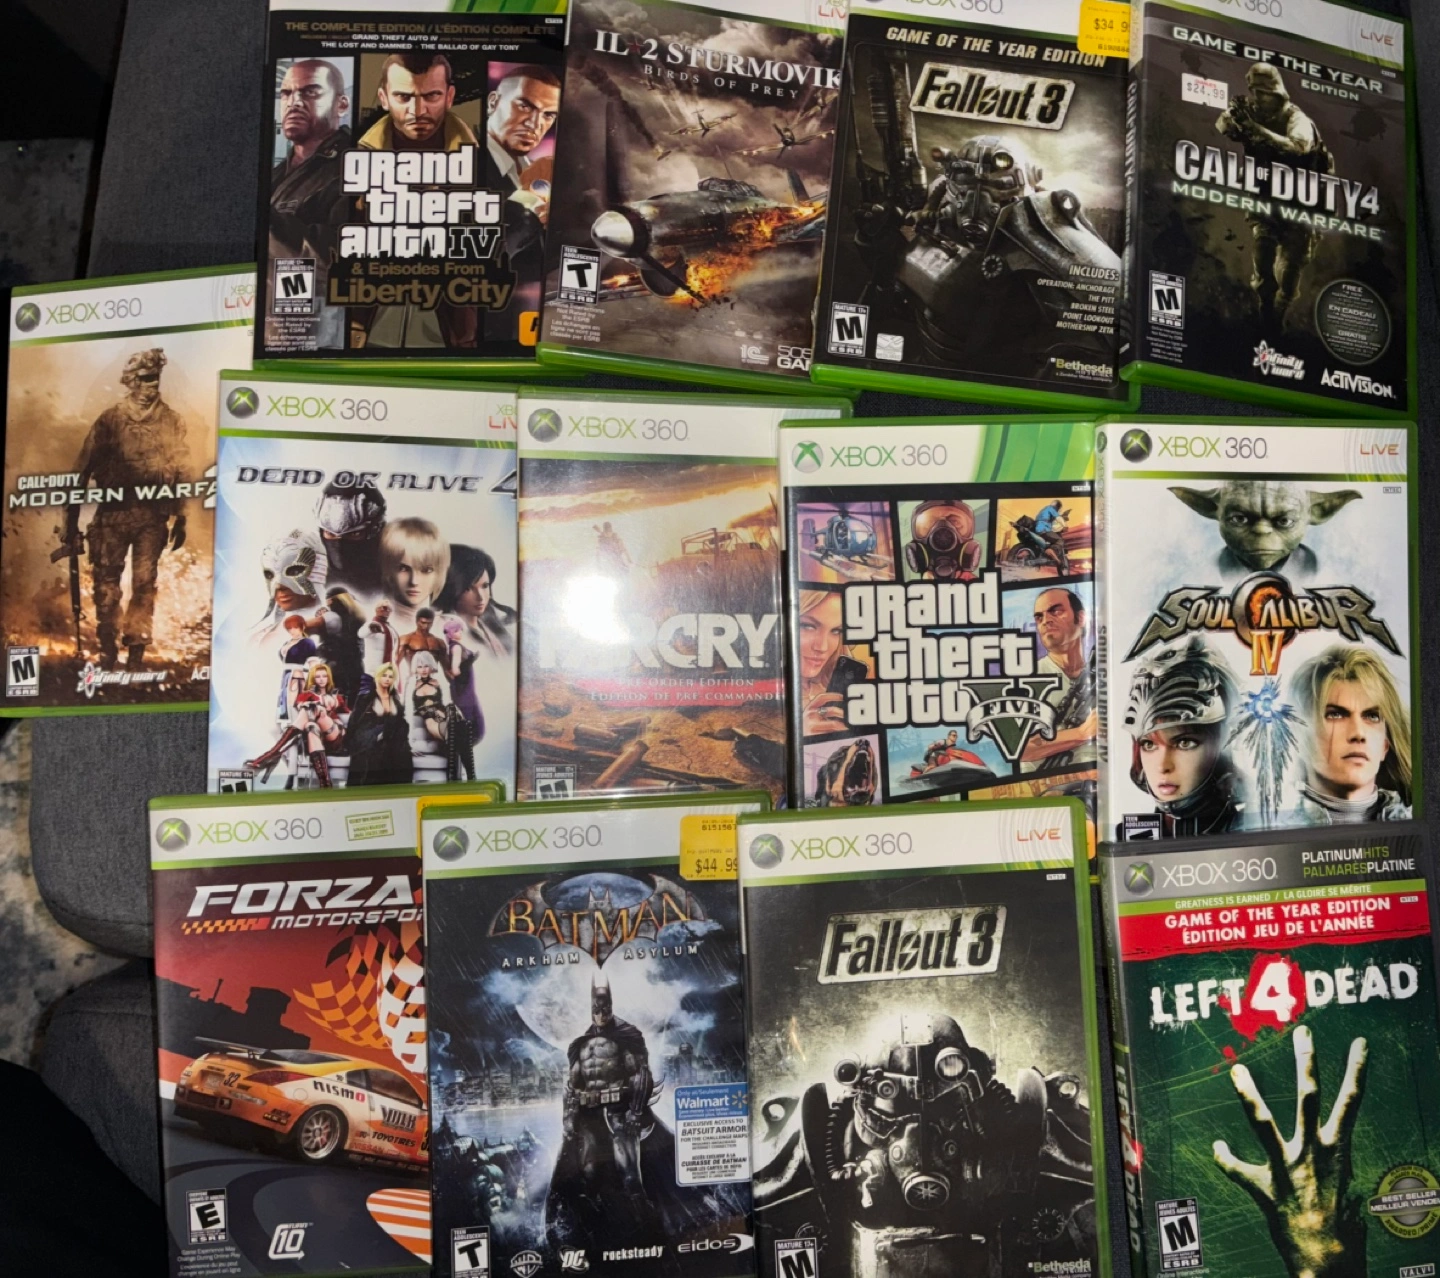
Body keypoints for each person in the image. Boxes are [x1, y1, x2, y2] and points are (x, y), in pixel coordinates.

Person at [61, 349, 190, 669]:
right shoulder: (110, 420)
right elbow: (81, 471)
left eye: (155, 378)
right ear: (131, 381)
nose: (151, 385)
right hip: (112, 515)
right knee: (106, 584)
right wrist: (69, 523)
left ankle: (135, 654)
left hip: (151, 516)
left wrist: (181, 516)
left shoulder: (172, 421)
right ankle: (107, 650)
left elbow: (183, 470)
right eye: (144, 379)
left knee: (145, 584)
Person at [356, 53, 481, 349]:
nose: (418, 110)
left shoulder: (482, 162)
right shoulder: (355, 160)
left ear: (449, 97)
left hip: (456, 337)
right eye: (404, 97)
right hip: (368, 333)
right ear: (384, 98)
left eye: (431, 96)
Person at [1216, 64, 1332, 326]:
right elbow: (1222, 125)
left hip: (1302, 201)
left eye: (1264, 93)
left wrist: (1253, 127)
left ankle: (1281, 309)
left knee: (1290, 269)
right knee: (1263, 245)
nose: (1258, 98)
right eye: (1255, 92)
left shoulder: (1297, 119)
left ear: (1277, 93)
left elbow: (1298, 147)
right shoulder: (1252, 111)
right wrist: (1235, 119)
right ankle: (1266, 306)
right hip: (1267, 194)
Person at [1122, 636, 1244, 837]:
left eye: (1184, 743)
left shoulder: (1255, 826)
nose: (1163, 766)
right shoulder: (1129, 835)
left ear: (1224, 743)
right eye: (1149, 744)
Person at [269, 59, 351, 348]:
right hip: (276, 319)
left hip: (320, 329)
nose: (294, 102)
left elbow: (344, 257)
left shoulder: (356, 166)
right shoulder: (277, 174)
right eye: (286, 93)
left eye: (310, 92)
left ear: (341, 105)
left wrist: (269, 225)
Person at [1291, 646, 1411, 823]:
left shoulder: (1415, 821)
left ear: (1385, 746)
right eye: (1335, 714)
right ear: (1300, 738)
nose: (1359, 733)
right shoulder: (1263, 822)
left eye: (1372, 716)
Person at [1021, 588, 1097, 773]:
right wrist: (1081, 733)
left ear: (1081, 618)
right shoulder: (1027, 679)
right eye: (1039, 617)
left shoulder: (1099, 673)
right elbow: (1019, 747)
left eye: (1055, 611)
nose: (1045, 620)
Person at [245, 661, 349, 788]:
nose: (321, 679)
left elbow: (349, 714)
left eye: (324, 676)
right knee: (310, 725)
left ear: (328, 678)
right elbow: (300, 705)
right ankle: (325, 783)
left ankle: (270, 755)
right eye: (318, 676)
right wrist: (308, 704)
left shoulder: (337, 696)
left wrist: (327, 706)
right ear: (313, 679)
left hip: (334, 735)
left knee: (314, 710)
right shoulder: (307, 695)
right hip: (316, 737)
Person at [797, 590, 864, 737]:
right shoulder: (764, 695)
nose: (822, 647)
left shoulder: (838, 691)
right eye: (808, 626)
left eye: (836, 631)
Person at [435, 544, 516, 657]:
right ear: (452, 588)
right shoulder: (443, 629)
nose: (480, 597)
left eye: (485, 586)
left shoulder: (491, 627)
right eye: (468, 588)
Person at [345, 663, 413, 787]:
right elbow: (354, 720)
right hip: (369, 735)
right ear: (378, 676)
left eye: (390, 677)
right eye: (384, 675)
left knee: (401, 751)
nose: (387, 679)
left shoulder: (395, 698)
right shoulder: (366, 697)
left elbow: (401, 723)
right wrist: (348, 743)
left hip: (390, 737)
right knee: (378, 749)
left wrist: (407, 744)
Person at [315, 480, 385, 595]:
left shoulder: (397, 577)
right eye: (330, 533)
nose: (339, 545)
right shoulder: (312, 577)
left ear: (374, 530)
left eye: (354, 534)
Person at [380, 518, 451, 628]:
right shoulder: (373, 625)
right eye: (403, 569)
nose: (414, 581)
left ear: (440, 572)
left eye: (426, 570)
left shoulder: (451, 626)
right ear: (388, 570)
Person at [442, 619, 484, 744]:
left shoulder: (454, 646)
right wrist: (470, 661)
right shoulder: (456, 648)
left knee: (474, 723)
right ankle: (462, 747)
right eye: (456, 630)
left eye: (460, 630)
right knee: (470, 722)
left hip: (466, 689)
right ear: (450, 634)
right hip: (463, 689)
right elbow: (455, 670)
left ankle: (464, 746)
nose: (460, 632)